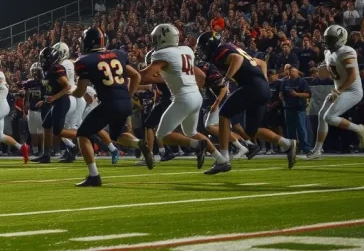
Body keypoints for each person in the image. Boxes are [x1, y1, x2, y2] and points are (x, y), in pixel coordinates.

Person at [196, 31, 297, 174]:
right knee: (252, 131)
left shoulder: (221, 51)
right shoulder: (231, 47)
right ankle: (286, 144)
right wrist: (263, 81)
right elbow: (261, 63)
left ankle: (223, 159)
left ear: (210, 45)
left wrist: (227, 78)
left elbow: (236, 59)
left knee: (224, 114)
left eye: (202, 47)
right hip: (261, 88)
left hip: (251, 86)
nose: (201, 50)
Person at [137, 25, 228, 171]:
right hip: (196, 96)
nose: (154, 41)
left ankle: (197, 145)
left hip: (182, 98)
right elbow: (200, 74)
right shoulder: (186, 50)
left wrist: (130, 74)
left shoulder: (162, 55)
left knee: (162, 135)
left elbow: (143, 76)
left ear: (164, 38)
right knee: (191, 132)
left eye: (156, 38)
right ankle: (221, 160)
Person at [72, 27, 151, 187]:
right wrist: (129, 95)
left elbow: (80, 92)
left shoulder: (85, 61)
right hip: (125, 102)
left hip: (109, 103)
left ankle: (94, 176)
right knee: (117, 134)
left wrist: (71, 92)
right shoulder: (118, 54)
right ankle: (139, 143)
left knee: (83, 134)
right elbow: (136, 75)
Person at [304, 25, 364, 159]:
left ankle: (360, 129)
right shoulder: (328, 52)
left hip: (352, 90)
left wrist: (338, 91)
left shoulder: (346, 51)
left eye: (331, 39)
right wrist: (324, 70)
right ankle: (317, 150)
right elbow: (330, 74)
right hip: (340, 89)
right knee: (322, 115)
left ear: (341, 38)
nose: (327, 42)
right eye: (327, 38)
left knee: (329, 117)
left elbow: (352, 75)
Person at [30, 47, 78, 164]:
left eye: (44, 59)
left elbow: (67, 87)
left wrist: (54, 98)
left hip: (62, 101)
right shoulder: (47, 70)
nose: (42, 61)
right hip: (56, 101)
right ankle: (46, 155)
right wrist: (47, 100)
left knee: (58, 131)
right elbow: (50, 89)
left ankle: (85, 133)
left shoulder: (56, 68)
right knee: (46, 125)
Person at [279, 65, 312, 154]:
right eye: (289, 71)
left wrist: (297, 94)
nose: (290, 72)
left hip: (299, 108)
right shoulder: (285, 82)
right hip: (288, 108)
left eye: (292, 71)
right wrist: (281, 97)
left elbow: (308, 94)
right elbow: (281, 92)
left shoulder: (302, 81)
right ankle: (293, 148)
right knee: (290, 130)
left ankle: (306, 148)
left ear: (297, 72)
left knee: (301, 129)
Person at [23, 63, 45, 156]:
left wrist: (44, 101)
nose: (35, 73)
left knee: (41, 131)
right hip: (31, 110)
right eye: (34, 71)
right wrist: (24, 111)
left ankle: (44, 150)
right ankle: (36, 151)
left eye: (37, 71)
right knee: (33, 132)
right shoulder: (29, 83)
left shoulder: (44, 82)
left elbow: (49, 95)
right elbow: (26, 97)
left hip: (41, 110)